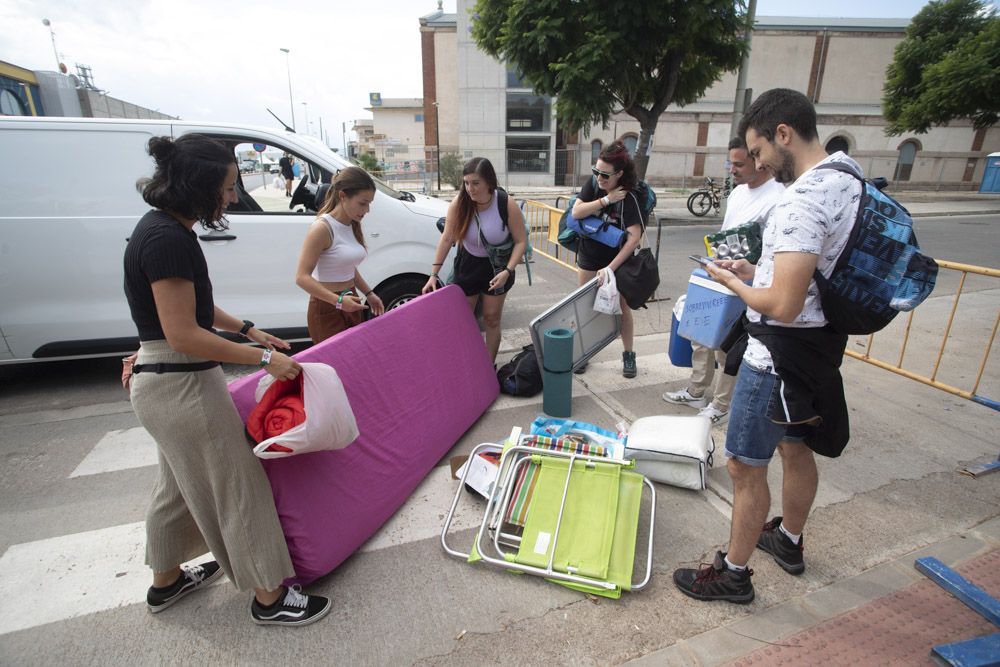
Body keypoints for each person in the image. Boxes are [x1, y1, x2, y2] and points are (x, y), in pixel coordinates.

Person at [124, 134, 331, 626]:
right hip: (181, 386)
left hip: (163, 383)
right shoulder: (168, 239)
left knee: (177, 485)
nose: (232, 197)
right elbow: (182, 333)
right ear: (199, 186)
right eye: (228, 186)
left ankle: (166, 582)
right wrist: (262, 358)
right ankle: (270, 597)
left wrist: (247, 328)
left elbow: (191, 307)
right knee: (239, 486)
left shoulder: (161, 230)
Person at [672, 88, 860, 603]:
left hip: (775, 353)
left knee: (743, 465)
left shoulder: (802, 197)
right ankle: (789, 541)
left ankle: (732, 572)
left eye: (757, 152)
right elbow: (808, 277)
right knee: (794, 446)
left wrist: (735, 284)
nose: (755, 162)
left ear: (783, 134)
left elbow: (783, 306)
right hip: (820, 348)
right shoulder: (848, 179)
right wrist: (756, 270)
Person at [663, 137, 784, 424]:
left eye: (739, 163)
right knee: (700, 334)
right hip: (718, 275)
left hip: (747, 286)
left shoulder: (779, 197)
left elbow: (777, 256)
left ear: (760, 160)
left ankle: (721, 405)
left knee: (728, 347)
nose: (732, 169)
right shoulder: (740, 193)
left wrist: (750, 270)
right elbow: (727, 233)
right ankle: (696, 391)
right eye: (730, 162)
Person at [421, 157, 527, 364]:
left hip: (497, 267)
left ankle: (488, 366)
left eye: (476, 183)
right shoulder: (460, 203)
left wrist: (508, 270)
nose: (470, 189)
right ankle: (468, 362)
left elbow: (520, 242)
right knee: (464, 320)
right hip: (468, 264)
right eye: (466, 183)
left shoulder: (505, 203)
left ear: (489, 182)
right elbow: (447, 238)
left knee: (491, 318)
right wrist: (433, 274)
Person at [571, 141, 645, 378]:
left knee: (621, 309)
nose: (599, 178)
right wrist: (606, 200)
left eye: (605, 174)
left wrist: (610, 269)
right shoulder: (594, 186)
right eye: (596, 171)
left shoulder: (630, 196)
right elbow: (576, 212)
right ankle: (584, 352)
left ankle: (629, 355)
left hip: (617, 261)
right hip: (589, 256)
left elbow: (634, 238)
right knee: (585, 305)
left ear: (619, 174)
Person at [295, 166, 385, 344]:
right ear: (343, 196)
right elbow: (301, 278)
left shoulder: (352, 224)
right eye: (362, 203)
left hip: (349, 298)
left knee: (353, 362)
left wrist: (369, 293)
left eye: (369, 204)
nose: (367, 210)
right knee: (334, 365)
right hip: (327, 304)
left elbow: (348, 267)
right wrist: (338, 301)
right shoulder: (322, 228)